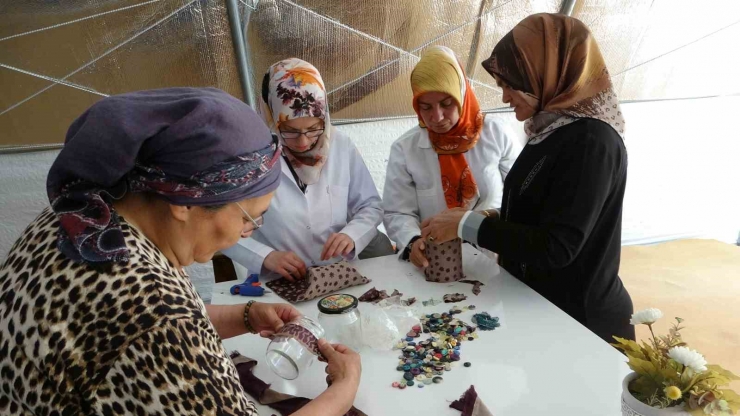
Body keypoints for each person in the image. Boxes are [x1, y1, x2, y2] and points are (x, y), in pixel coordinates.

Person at [0, 88, 361, 415]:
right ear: (184, 204)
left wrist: (246, 316)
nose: (248, 232)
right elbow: (156, 322)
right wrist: (342, 391)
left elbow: (131, 329)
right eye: (252, 217)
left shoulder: (82, 218)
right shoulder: (157, 314)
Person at [420, 14, 635, 344]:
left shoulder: (592, 141)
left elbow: (556, 247)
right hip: (539, 304)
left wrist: (466, 225)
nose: (505, 97)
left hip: (581, 322)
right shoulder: (548, 132)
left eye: (510, 85)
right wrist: (490, 217)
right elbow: (541, 206)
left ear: (543, 73)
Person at [223, 58, 392, 281]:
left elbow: (370, 206)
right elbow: (220, 226)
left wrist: (351, 235)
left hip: (339, 275)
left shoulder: (341, 146)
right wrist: (265, 256)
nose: (303, 142)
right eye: (290, 131)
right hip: (281, 280)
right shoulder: (250, 156)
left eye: (313, 129)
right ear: (272, 118)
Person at [383, 46, 521, 267]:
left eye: (446, 104)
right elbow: (397, 212)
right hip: (435, 259)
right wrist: (412, 241)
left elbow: (521, 200)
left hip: (492, 257)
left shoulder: (497, 134)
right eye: (425, 107)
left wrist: (477, 221)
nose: (436, 117)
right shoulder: (405, 149)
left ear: (462, 94)